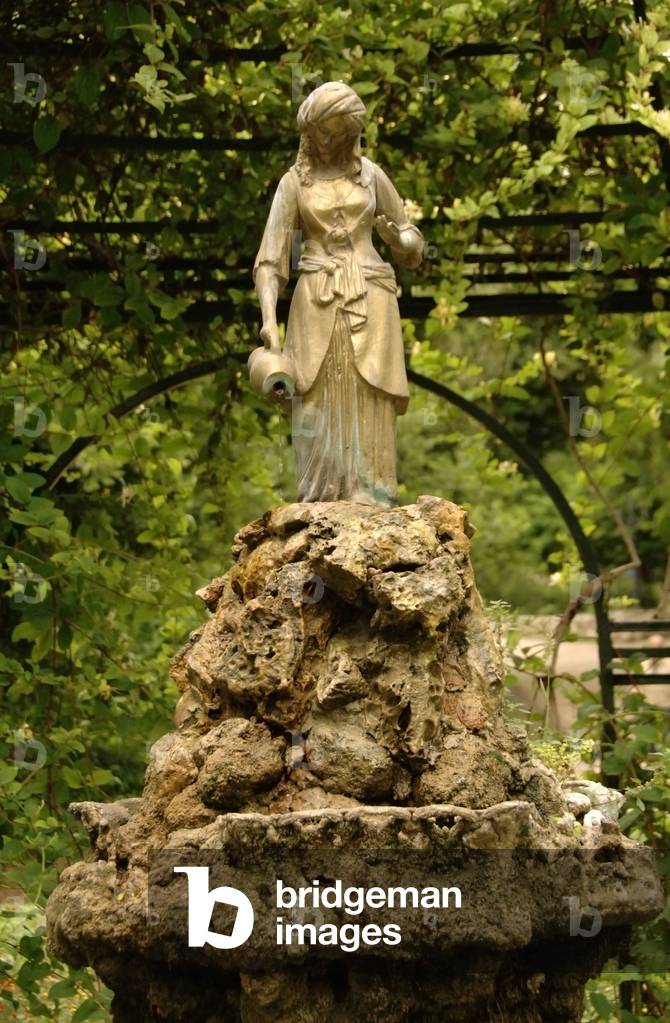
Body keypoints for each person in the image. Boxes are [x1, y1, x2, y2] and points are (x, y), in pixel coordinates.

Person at [253, 80, 424, 505]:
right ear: (308, 132)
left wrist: (402, 241)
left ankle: (370, 491)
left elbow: (410, 243)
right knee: (315, 394)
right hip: (316, 297)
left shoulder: (372, 176)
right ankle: (321, 497)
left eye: (338, 132)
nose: (328, 141)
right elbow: (270, 261)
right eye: (322, 131)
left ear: (352, 133)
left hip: (371, 293)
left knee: (370, 391)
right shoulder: (294, 183)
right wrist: (268, 322)